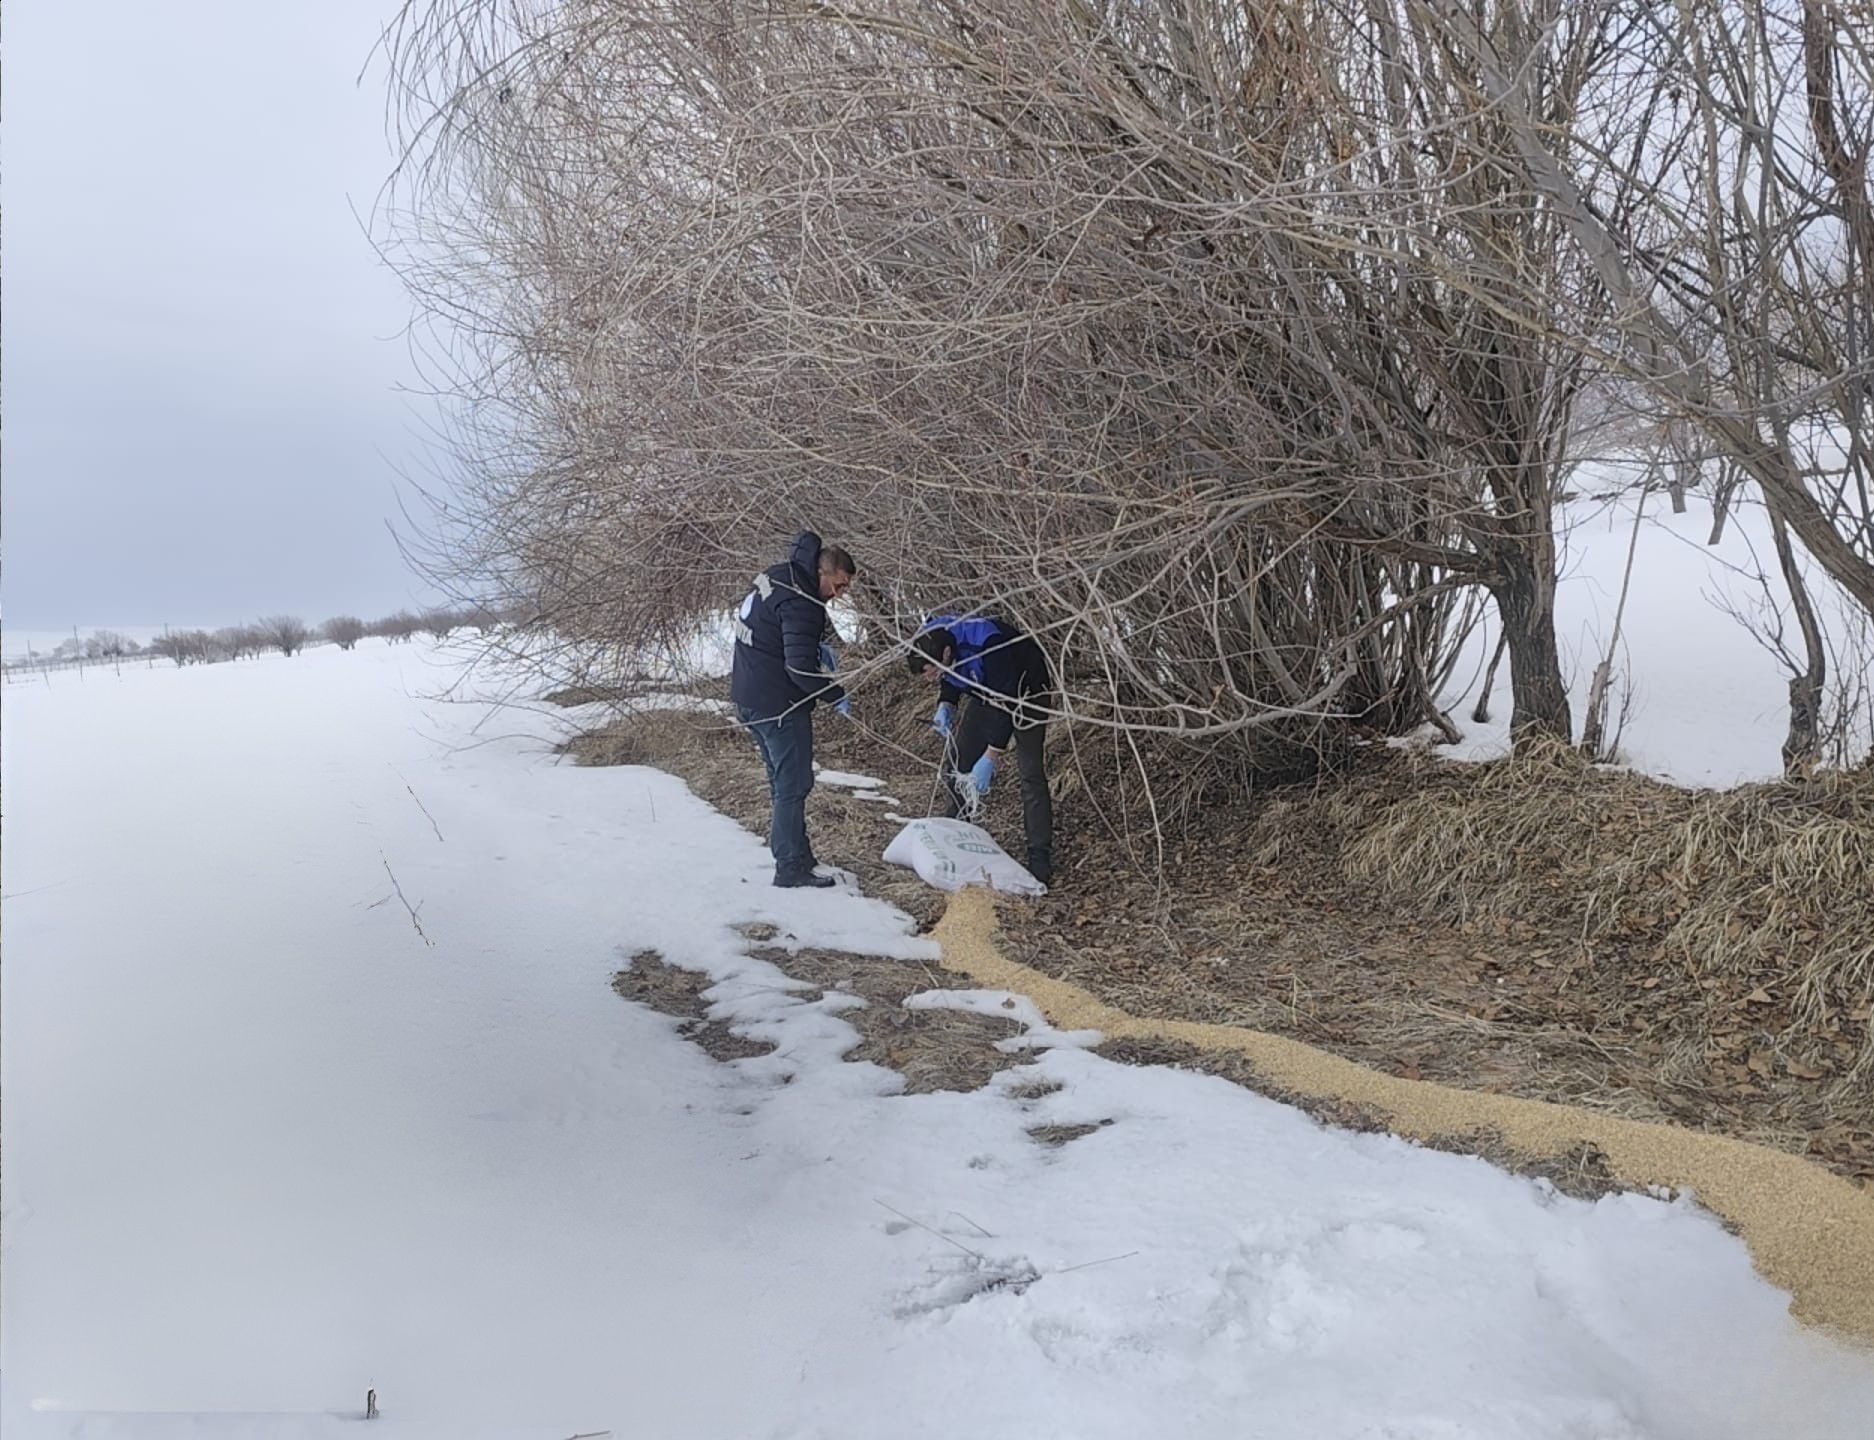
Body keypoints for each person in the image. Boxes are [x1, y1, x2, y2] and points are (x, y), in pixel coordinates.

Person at [730, 532, 857, 888]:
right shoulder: (801, 600)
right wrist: (834, 694)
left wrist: (816, 647)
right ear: (822, 572)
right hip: (778, 704)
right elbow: (799, 670)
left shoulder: (779, 574)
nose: (838, 595)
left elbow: (774, 631)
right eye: (838, 585)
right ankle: (789, 867)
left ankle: (797, 854)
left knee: (781, 782)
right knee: (793, 784)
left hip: (749, 696)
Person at [907, 615, 1053, 884]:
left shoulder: (989, 644)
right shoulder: (935, 638)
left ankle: (1039, 854)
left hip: (1027, 692)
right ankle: (956, 834)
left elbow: (1007, 703)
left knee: (1030, 772)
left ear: (947, 653)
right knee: (956, 764)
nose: (930, 678)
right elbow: (950, 676)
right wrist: (946, 704)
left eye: (931, 671)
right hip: (985, 691)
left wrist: (990, 756)